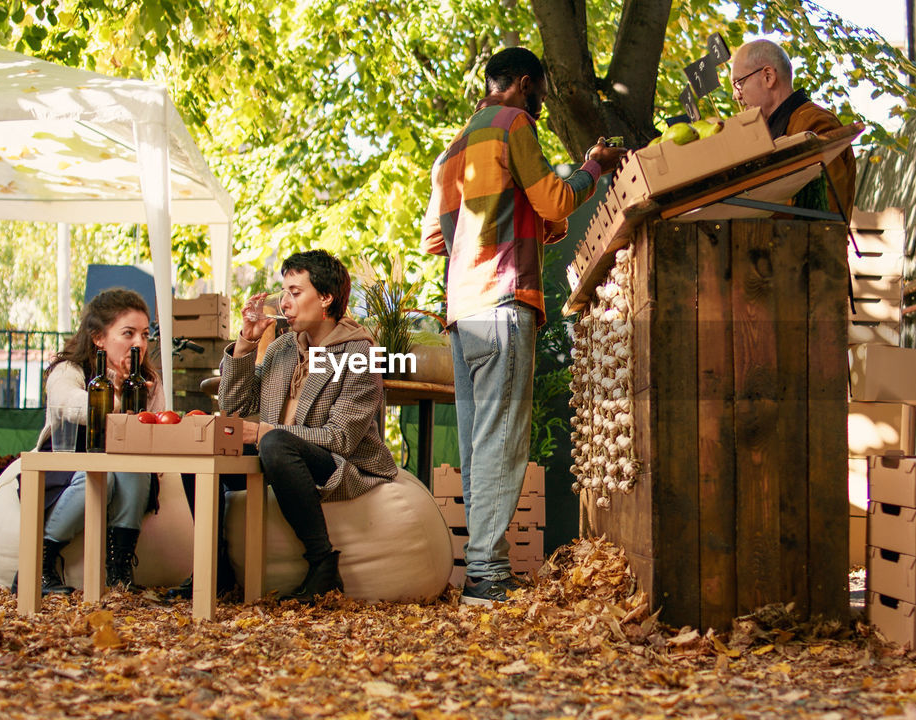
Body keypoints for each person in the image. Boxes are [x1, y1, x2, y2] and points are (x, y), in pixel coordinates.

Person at [421, 46, 625, 605]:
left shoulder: (454, 150)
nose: (539, 103)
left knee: (476, 445)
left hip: (462, 313)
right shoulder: (513, 124)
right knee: (502, 444)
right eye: (538, 91)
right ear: (522, 83)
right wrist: (594, 168)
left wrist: (526, 224)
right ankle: (486, 575)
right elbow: (556, 197)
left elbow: (439, 239)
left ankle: (480, 568)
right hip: (505, 303)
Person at [168, 249, 396, 604]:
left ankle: (323, 564)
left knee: (274, 441)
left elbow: (341, 438)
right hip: (278, 455)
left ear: (325, 298)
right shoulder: (282, 349)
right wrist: (246, 341)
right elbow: (236, 406)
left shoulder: (360, 355)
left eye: (295, 292)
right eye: (283, 292)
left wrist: (263, 434)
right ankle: (216, 569)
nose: (284, 302)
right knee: (208, 444)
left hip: (338, 462)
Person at [34, 288, 163, 595]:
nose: (139, 344)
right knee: (101, 475)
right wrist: (115, 398)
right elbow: (70, 403)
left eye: (145, 335)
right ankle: (41, 562)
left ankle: (119, 568)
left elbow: (157, 428)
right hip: (66, 469)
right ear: (98, 338)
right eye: (128, 333)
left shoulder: (147, 381)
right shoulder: (69, 370)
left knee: (130, 470)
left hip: (125, 470)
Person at [730, 38, 857, 222]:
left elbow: (823, 211)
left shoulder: (815, 124)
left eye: (739, 83)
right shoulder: (773, 130)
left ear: (768, 76)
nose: (736, 96)